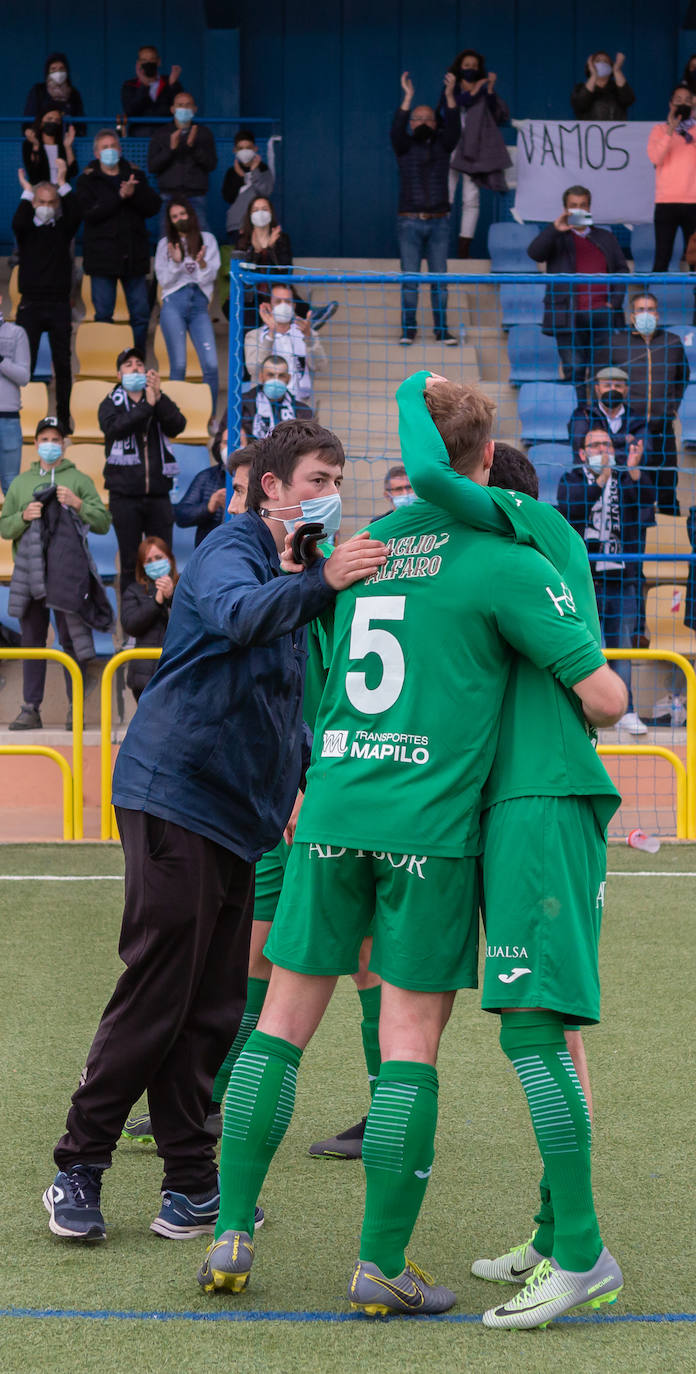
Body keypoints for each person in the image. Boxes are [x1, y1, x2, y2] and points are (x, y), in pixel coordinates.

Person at [196, 382, 625, 1317]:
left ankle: (230, 1228)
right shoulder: (504, 559)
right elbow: (606, 699)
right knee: (409, 1041)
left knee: (278, 1027)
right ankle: (380, 1265)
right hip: (428, 827)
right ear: (487, 462)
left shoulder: (362, 553)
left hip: (335, 808)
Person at [42, 420, 387, 1243]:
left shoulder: (295, 569)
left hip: (240, 818)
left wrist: (310, 785)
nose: (330, 493)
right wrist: (324, 582)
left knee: (214, 1002)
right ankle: (78, 1167)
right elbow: (237, 617)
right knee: (161, 987)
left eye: (337, 477)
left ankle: (191, 1182)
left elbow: (285, 706)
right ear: (271, 488)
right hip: (176, 796)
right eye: (315, 478)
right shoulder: (234, 550)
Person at [397, 375, 624, 1328]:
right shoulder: (513, 561)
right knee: (550, 1026)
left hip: (541, 800)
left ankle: (581, 1253)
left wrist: (418, 388)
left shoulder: (522, 530)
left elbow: (606, 696)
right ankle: (551, 1225)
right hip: (511, 802)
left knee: (533, 1026)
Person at [0, 417, 112, 731]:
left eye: (56, 438)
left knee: (71, 640)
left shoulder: (78, 479)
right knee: (32, 641)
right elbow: (4, 526)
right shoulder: (21, 482)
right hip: (30, 574)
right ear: (35, 444)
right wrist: (23, 516)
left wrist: (77, 504)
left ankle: (76, 708)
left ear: (63, 443)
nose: (50, 444)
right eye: (45, 438)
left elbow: (103, 522)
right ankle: (30, 709)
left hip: (67, 575)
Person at [557, 428, 649, 735]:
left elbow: (647, 504)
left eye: (606, 444)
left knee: (621, 644)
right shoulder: (571, 480)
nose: (601, 449)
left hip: (621, 578)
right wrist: (599, 481)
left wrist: (634, 471)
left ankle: (627, 709)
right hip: (583, 578)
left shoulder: (625, 478)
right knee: (585, 645)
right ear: (583, 453)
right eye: (594, 445)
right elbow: (572, 511)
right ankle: (585, 708)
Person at [528, 187, 629, 401]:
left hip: (603, 315)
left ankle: (598, 422)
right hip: (568, 315)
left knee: (602, 371)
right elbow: (535, 253)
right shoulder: (557, 236)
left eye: (583, 205)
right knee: (574, 369)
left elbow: (622, 270)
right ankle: (579, 418)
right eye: (574, 206)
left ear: (590, 208)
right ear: (565, 209)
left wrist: (614, 303)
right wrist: (555, 229)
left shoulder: (606, 237)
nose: (579, 209)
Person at [99, 347, 186, 593]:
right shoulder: (109, 403)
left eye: (139, 363)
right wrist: (146, 407)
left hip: (158, 495)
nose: (136, 367)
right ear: (119, 375)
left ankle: (167, 614)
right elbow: (114, 429)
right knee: (129, 562)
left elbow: (178, 425)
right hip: (124, 497)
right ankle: (132, 621)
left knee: (164, 560)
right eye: (128, 365)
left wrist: (157, 397)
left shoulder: (157, 398)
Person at [599, 290, 690, 515]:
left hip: (662, 429)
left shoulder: (672, 342)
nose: (646, 314)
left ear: (658, 315)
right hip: (631, 429)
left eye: (650, 310)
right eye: (640, 310)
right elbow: (601, 378)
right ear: (632, 316)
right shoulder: (617, 343)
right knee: (633, 485)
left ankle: (670, 535)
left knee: (668, 483)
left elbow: (682, 377)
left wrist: (672, 406)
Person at [76, 130, 161, 354]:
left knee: (141, 316)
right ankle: (108, 360)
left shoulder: (135, 174)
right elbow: (89, 214)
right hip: (102, 259)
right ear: (96, 153)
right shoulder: (87, 180)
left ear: (120, 149)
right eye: (104, 147)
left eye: (113, 145)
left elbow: (153, 206)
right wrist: (119, 197)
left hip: (133, 257)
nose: (110, 150)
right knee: (103, 314)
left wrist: (135, 194)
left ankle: (137, 360)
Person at [391, 70, 460, 345]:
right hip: (408, 221)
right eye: (416, 118)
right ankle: (409, 329)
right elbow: (396, 129)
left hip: (439, 221)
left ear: (434, 123)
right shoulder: (403, 145)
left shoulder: (443, 146)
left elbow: (455, 128)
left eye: (426, 118)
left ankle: (441, 330)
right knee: (410, 279)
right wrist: (408, 96)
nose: (421, 121)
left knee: (440, 280)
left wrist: (451, 95)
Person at [13, 170, 81, 435]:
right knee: (24, 366)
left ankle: (63, 419)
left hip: (58, 305)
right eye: (40, 202)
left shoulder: (63, 230)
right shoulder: (26, 231)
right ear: (33, 204)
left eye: (51, 202)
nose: (46, 207)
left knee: (63, 366)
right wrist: (27, 190)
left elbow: (76, 213)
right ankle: (24, 416)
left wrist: (63, 184)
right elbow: (18, 221)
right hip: (30, 304)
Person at [441, 49, 510, 258]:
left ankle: (464, 249)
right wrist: (471, 92)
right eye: (466, 65)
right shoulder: (451, 87)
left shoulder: (485, 88)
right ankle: (439, 243)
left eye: (474, 65)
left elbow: (498, 114)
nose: (470, 69)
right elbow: (445, 109)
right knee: (446, 196)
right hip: (451, 146)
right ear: (459, 67)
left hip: (474, 150)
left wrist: (488, 89)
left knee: (471, 198)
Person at [154, 199, 220, 413]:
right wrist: (175, 262)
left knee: (211, 365)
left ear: (191, 214)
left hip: (199, 306)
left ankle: (209, 417)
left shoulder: (207, 240)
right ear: (169, 221)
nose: (179, 219)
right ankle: (175, 419)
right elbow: (164, 281)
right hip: (173, 305)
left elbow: (210, 277)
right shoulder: (165, 244)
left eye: (182, 214)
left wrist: (200, 264)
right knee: (179, 366)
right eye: (174, 216)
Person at [233, 197, 338, 332]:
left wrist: (270, 248)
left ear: (271, 213)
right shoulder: (243, 241)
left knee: (284, 293)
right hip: (251, 296)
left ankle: (310, 317)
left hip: (276, 290)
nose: (260, 213)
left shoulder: (282, 239)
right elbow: (243, 273)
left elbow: (285, 271)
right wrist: (258, 251)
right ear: (249, 215)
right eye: (256, 210)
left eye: (264, 209)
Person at [244, 283, 327, 406]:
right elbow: (253, 370)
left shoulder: (307, 333)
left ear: (293, 306)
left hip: (299, 405)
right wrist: (270, 335)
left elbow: (321, 365)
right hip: (263, 405)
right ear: (269, 306)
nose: (283, 306)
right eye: (278, 302)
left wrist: (309, 339)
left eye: (287, 302)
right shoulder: (255, 335)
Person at [148, 92, 217, 233]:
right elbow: (152, 166)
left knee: (201, 238)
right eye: (180, 105)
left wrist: (193, 147)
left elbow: (211, 164)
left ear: (195, 109)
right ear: (172, 109)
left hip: (195, 196)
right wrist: (170, 149)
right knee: (167, 240)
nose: (184, 109)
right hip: (168, 196)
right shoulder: (161, 134)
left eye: (188, 105)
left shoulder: (204, 133)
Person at [120, 537, 178, 703]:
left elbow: (194, 620)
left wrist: (171, 597)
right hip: (144, 677)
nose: (155, 563)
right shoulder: (134, 591)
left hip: (176, 673)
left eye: (158, 558)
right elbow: (131, 625)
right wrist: (157, 601)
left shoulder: (184, 586)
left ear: (169, 558)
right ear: (143, 566)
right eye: (149, 561)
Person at [647, 85, 696, 271]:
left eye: (687, 100)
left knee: (695, 256)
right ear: (670, 104)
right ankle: (654, 299)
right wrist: (670, 131)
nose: (682, 104)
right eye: (678, 100)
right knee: (662, 255)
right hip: (666, 202)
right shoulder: (659, 130)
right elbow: (655, 158)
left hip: (694, 202)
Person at [173, 425, 235, 548]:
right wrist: (208, 506)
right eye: (225, 443)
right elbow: (181, 515)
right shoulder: (207, 477)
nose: (229, 448)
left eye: (236, 441)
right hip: (211, 551)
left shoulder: (257, 479)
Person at [241, 355, 313, 440]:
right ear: (261, 377)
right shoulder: (242, 405)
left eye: (281, 376)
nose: (276, 380)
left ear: (288, 379)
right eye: (270, 375)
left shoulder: (303, 411)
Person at [222, 130, 274, 245]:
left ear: (255, 149)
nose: (245, 151)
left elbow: (265, 192)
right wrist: (240, 177)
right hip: (236, 226)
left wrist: (254, 171)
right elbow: (228, 197)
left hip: (260, 224)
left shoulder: (263, 169)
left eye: (248, 147)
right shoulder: (232, 172)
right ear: (235, 150)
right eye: (241, 148)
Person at [0, 302, 31, 496]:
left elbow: (24, 377)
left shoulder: (16, 333)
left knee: (11, 484)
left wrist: (1, 361)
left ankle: (13, 527)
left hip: (8, 418)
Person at [121, 46, 183, 138]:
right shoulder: (130, 85)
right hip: (140, 138)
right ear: (138, 64)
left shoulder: (170, 82)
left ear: (158, 61)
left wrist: (172, 86)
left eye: (152, 59)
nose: (148, 63)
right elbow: (131, 111)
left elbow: (177, 109)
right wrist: (144, 86)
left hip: (166, 136)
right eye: (144, 60)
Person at [23, 54, 85, 134]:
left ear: (67, 71)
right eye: (53, 69)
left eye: (61, 69)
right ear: (47, 71)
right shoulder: (39, 90)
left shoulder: (73, 93)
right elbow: (29, 116)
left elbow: (80, 119)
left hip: (66, 140)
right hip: (43, 138)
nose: (58, 72)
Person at [571, 52, 635, 121]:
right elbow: (580, 104)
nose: (602, 63)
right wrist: (594, 75)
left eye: (606, 61)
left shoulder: (616, 88)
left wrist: (617, 70)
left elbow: (628, 99)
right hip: (590, 131)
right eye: (598, 61)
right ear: (590, 66)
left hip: (616, 131)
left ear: (611, 67)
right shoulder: (580, 88)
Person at [22, 111, 78, 186]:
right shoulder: (29, 144)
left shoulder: (63, 145)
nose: (53, 122)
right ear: (41, 122)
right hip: (40, 192)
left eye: (57, 120)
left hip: (61, 191)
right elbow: (33, 173)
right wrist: (36, 146)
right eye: (49, 119)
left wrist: (68, 147)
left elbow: (73, 172)